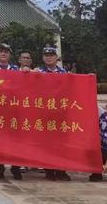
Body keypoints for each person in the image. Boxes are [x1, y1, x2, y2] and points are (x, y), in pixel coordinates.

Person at [0, 43, 22, 181]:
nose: (3, 54)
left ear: (10, 54)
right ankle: (0, 167)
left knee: (15, 141)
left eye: (6, 52)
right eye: (1, 51)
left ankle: (15, 167)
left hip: (13, 111)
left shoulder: (16, 69)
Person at [36, 46, 71, 181]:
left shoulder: (64, 73)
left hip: (60, 114)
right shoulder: (38, 72)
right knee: (47, 143)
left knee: (61, 144)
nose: (49, 57)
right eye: (46, 55)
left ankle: (61, 170)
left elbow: (73, 87)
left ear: (56, 57)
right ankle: (49, 170)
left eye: (51, 55)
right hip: (44, 113)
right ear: (43, 57)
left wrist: (88, 79)